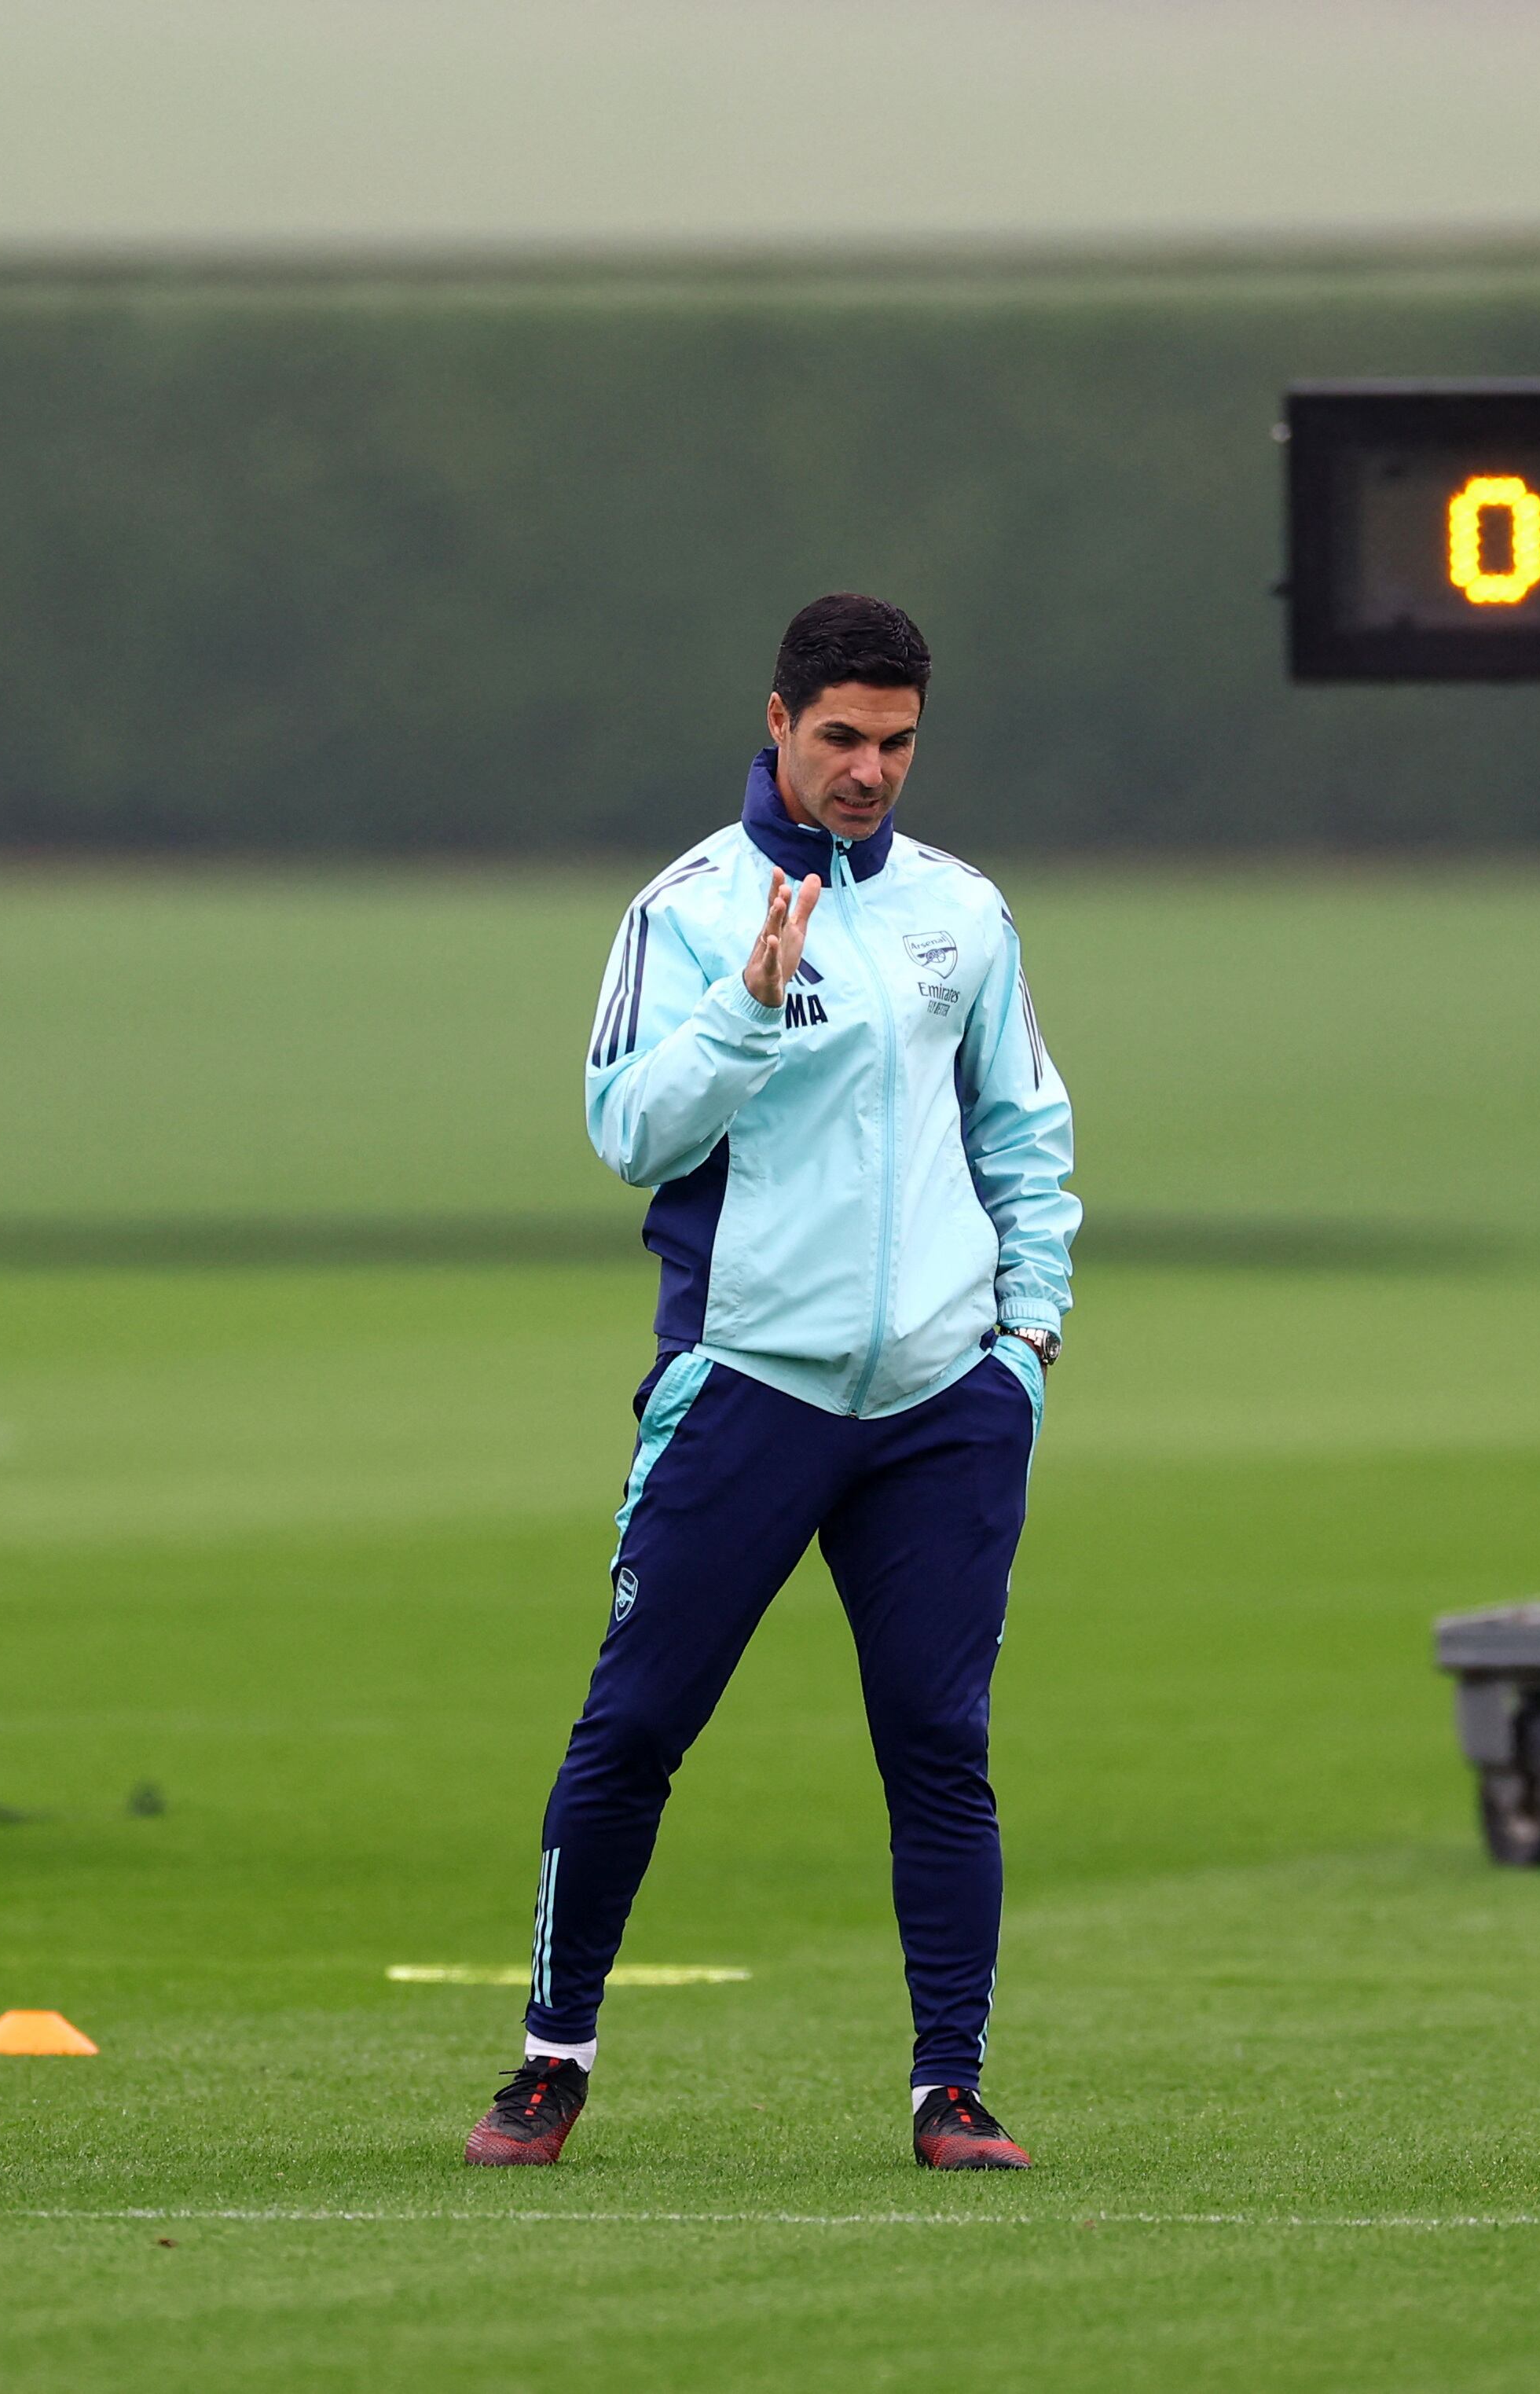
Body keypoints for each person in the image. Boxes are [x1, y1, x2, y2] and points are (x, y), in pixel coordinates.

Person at [468, 594, 1079, 2172]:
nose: (871, 768)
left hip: (947, 1401)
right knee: (634, 1727)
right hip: (750, 1384)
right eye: (842, 738)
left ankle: (952, 2088)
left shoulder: (963, 911)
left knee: (940, 1744)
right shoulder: (685, 909)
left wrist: (1027, 1339)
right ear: (779, 721)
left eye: (897, 741)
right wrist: (746, 1006)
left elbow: (1023, 1125)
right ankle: (551, 2057)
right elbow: (626, 1133)